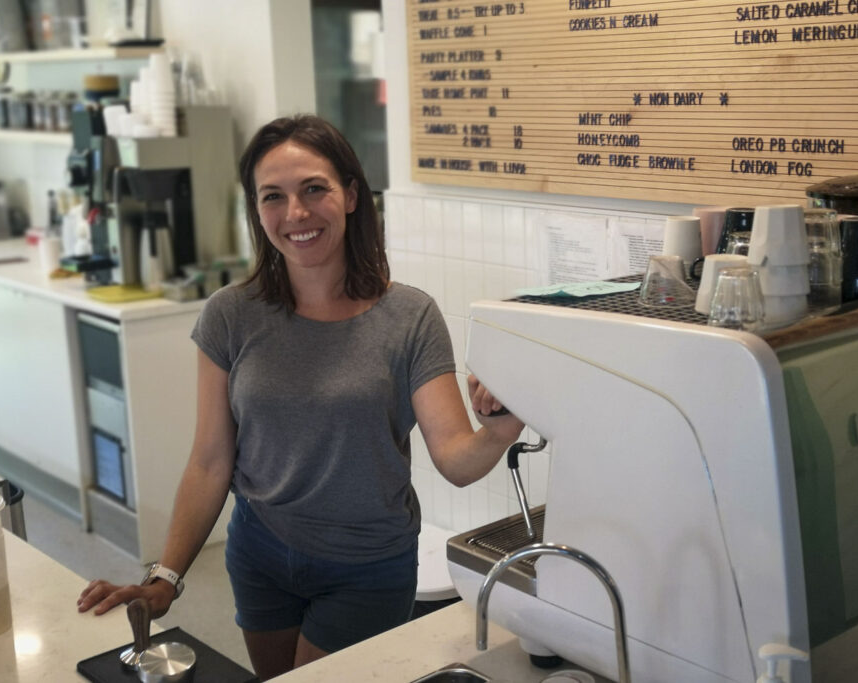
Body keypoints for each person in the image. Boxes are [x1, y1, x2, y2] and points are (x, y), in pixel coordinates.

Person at [77, 114, 524, 680]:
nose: (296, 214)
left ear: (352, 195)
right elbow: (211, 460)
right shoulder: (229, 316)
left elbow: (456, 460)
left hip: (367, 565)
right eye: (274, 196)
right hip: (259, 555)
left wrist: (501, 428)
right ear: (256, 209)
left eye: (315, 188)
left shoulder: (410, 317)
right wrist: (167, 576)